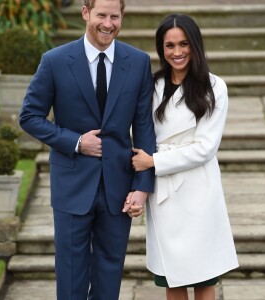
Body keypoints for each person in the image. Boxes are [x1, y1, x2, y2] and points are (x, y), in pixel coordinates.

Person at [19, 0, 155, 299]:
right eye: (101, 15)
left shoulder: (138, 62)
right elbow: (29, 117)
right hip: (71, 185)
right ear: (85, 13)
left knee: (109, 274)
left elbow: (144, 127)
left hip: (118, 188)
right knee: (70, 276)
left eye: (115, 16)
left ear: (122, 17)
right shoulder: (54, 61)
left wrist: (142, 187)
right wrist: (77, 142)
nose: (108, 24)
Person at [123, 14, 239, 300]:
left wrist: (154, 162)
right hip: (165, 194)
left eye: (184, 44)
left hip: (198, 191)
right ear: (161, 49)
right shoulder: (151, 86)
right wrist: (140, 183)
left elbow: (205, 148)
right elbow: (141, 132)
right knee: (171, 277)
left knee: (203, 276)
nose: (177, 52)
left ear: (195, 45)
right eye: (169, 46)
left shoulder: (214, 87)